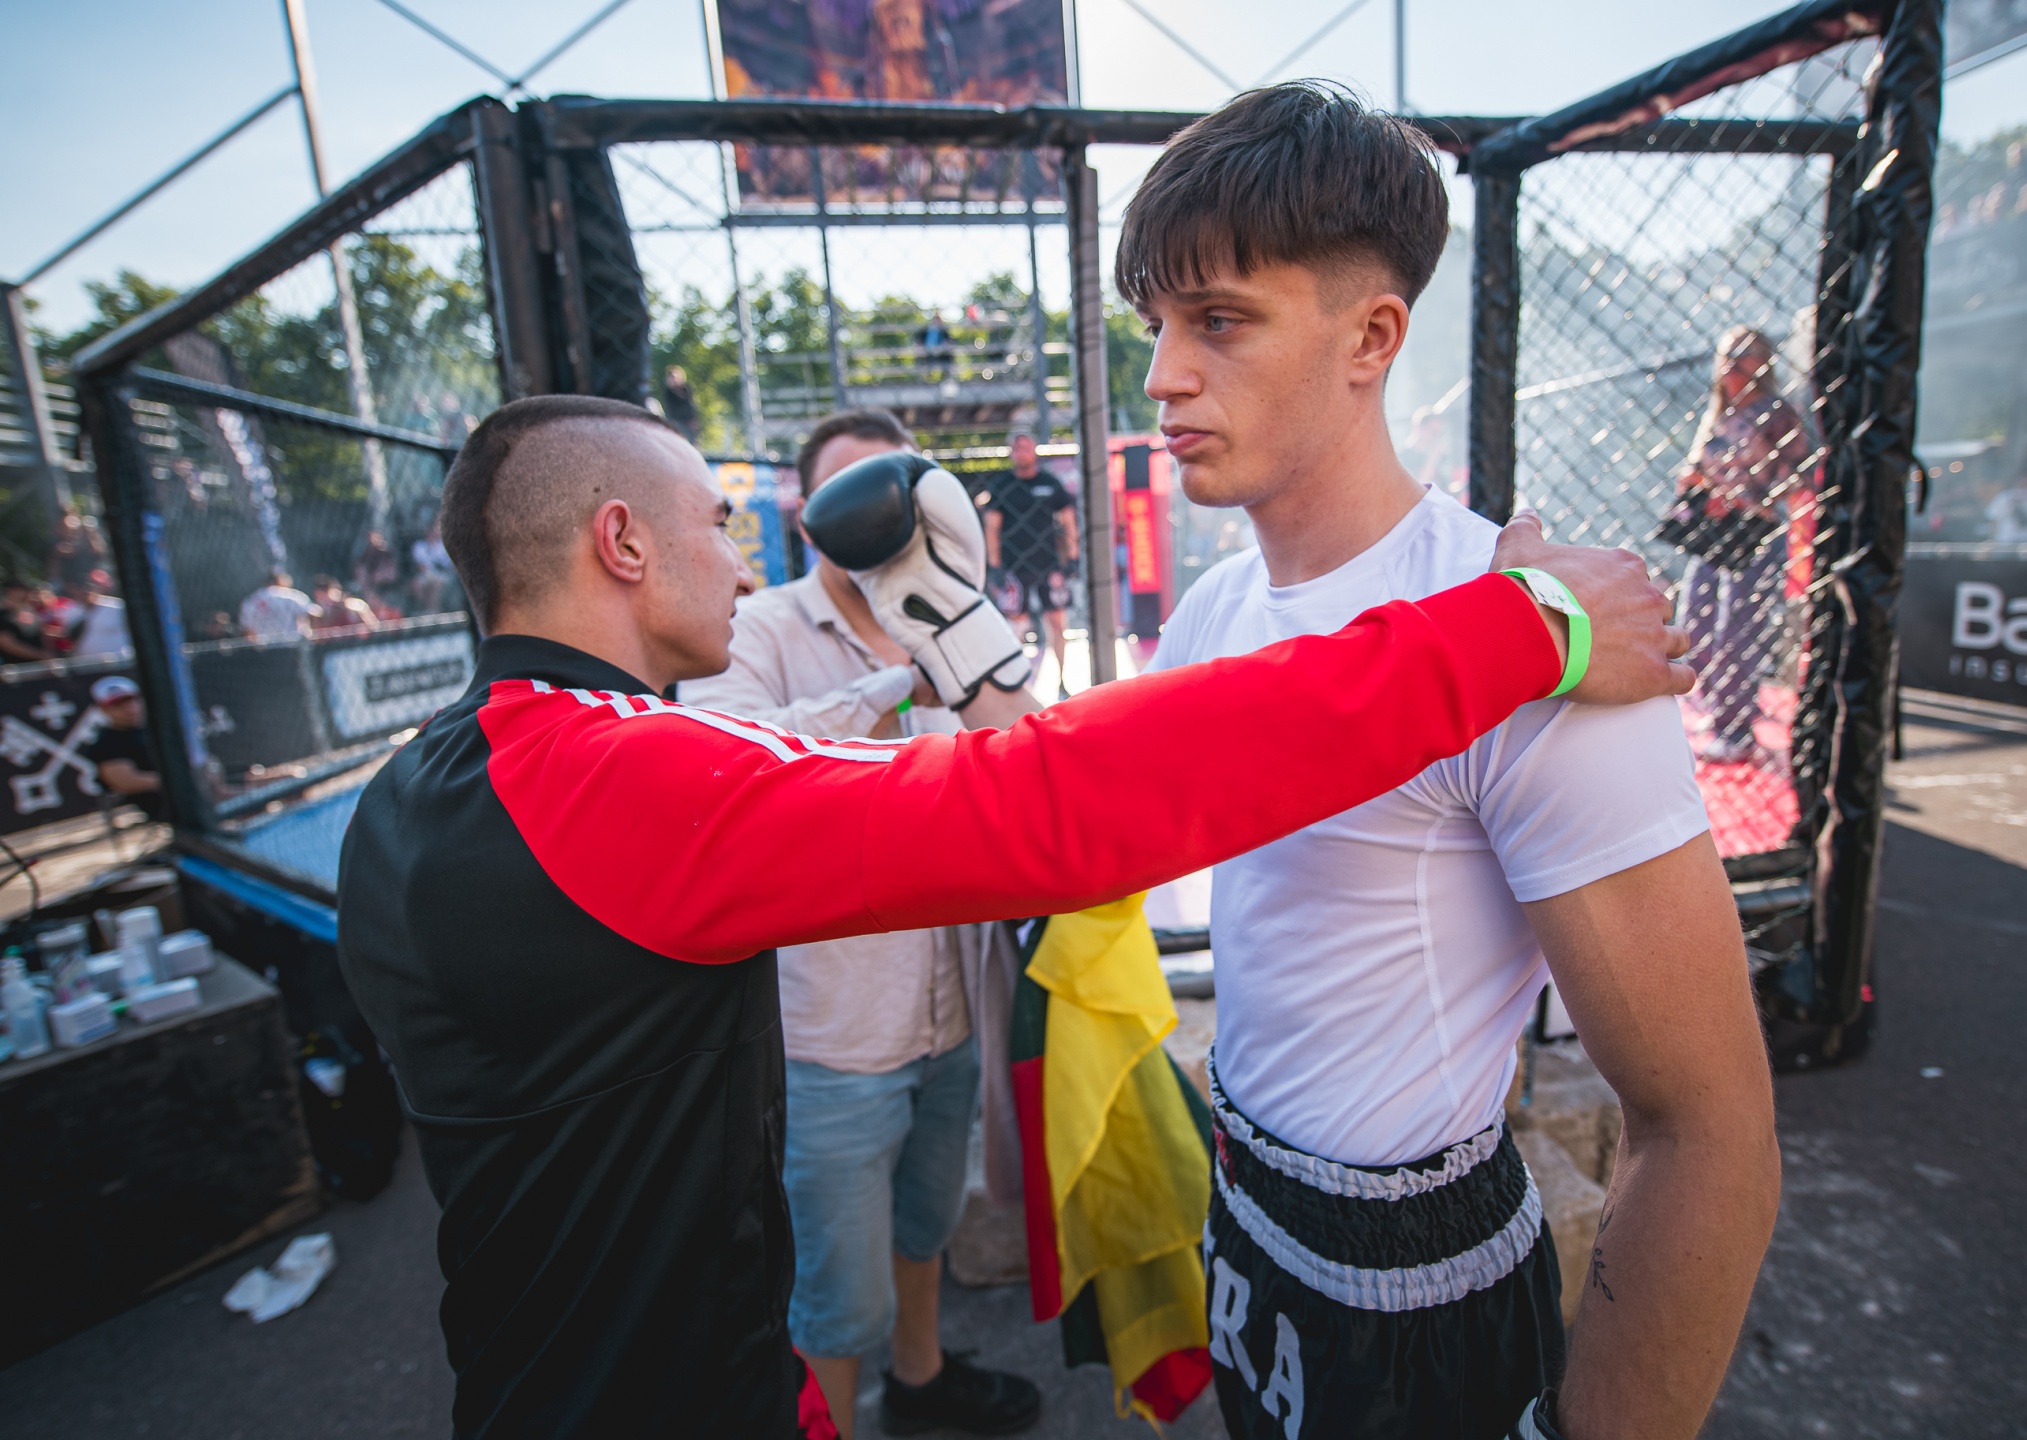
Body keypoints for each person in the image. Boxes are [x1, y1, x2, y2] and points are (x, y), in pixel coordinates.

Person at [335, 392, 1692, 1439]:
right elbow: (1056, 797)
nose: (742, 568)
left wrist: (944, 629)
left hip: (538, 1373)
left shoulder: (421, 795)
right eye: (713, 524)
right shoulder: (609, 782)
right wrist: (1519, 628)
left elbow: (791, 776)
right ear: (620, 542)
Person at [1121, 84, 1779, 1440]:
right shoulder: (1212, 614)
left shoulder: (1540, 644)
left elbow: (1710, 1132)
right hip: (1245, 1215)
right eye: (1157, 325)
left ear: (1372, 336)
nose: (1163, 376)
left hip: (1422, 1304)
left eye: (1219, 320)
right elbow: (1070, 819)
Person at [681, 407, 1037, 1438]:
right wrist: (899, 683)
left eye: (895, 492)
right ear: (811, 512)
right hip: (834, 1038)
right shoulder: (756, 627)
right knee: (836, 1298)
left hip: (949, 1012)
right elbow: (734, 765)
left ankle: (920, 1383)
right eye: (851, 495)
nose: (877, 517)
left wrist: (958, 633)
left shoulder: (948, 612)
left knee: (924, 1229)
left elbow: (1026, 756)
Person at [1671, 326, 1817, 763]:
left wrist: (1751, 496)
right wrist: (1694, 482)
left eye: (1745, 352)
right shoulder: (1718, 412)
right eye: (1727, 353)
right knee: (1693, 624)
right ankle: (1718, 706)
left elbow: (1801, 476)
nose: (1733, 361)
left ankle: (1734, 730)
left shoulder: (1775, 412)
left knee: (1736, 631)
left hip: (1755, 530)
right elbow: (1701, 470)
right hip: (1713, 530)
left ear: (1764, 361)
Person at [981, 432, 1079, 680]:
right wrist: (995, 566)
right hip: (1014, 566)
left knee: (1058, 625)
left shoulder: (1050, 483)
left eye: (1025, 447)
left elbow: (1068, 521)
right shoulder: (1002, 485)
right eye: (1017, 448)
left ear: (1034, 449)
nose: (1021, 452)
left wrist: (1072, 557)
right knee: (1017, 627)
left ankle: (1062, 679)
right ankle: (1018, 680)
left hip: (1049, 564)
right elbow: (991, 528)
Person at [83, 676, 165, 824]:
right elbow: (127, 781)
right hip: (163, 803)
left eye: (132, 701)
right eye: (118, 705)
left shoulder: (158, 727)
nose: (129, 709)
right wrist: (175, 780)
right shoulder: (106, 743)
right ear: (103, 710)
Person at [238, 572, 319, 642]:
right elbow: (315, 612)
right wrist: (311, 633)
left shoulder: (252, 600)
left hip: (264, 647)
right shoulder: (290, 595)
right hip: (290, 644)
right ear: (281, 581)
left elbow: (246, 629)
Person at [410, 522, 454, 613]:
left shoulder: (443, 546)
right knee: (417, 585)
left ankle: (433, 611)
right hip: (426, 574)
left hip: (442, 574)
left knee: (434, 585)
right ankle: (421, 609)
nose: (432, 534)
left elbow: (448, 565)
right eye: (429, 532)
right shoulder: (419, 546)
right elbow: (420, 565)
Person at [312, 576, 378, 633]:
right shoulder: (319, 614)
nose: (325, 602)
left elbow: (373, 626)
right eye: (321, 599)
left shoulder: (354, 606)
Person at [660, 365, 703, 444]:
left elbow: (691, 405)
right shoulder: (668, 393)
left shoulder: (687, 389)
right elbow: (670, 409)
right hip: (676, 422)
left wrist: (694, 419)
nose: (673, 380)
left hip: (689, 422)